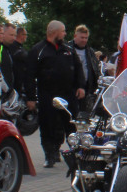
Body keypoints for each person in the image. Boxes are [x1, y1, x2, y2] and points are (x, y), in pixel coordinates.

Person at [25, 21, 85, 168]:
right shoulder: (38, 50)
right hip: (47, 95)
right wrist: (31, 97)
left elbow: (78, 68)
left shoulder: (68, 50)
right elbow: (29, 75)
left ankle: (74, 153)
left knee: (71, 125)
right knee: (47, 125)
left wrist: (80, 86)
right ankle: (50, 155)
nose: (65, 34)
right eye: (63, 31)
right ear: (54, 32)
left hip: (68, 94)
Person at [71, 25, 100, 114]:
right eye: (82, 37)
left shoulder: (90, 51)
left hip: (87, 87)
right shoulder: (67, 49)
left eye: (86, 38)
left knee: (84, 113)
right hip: (71, 86)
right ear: (75, 36)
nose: (84, 40)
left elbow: (95, 69)